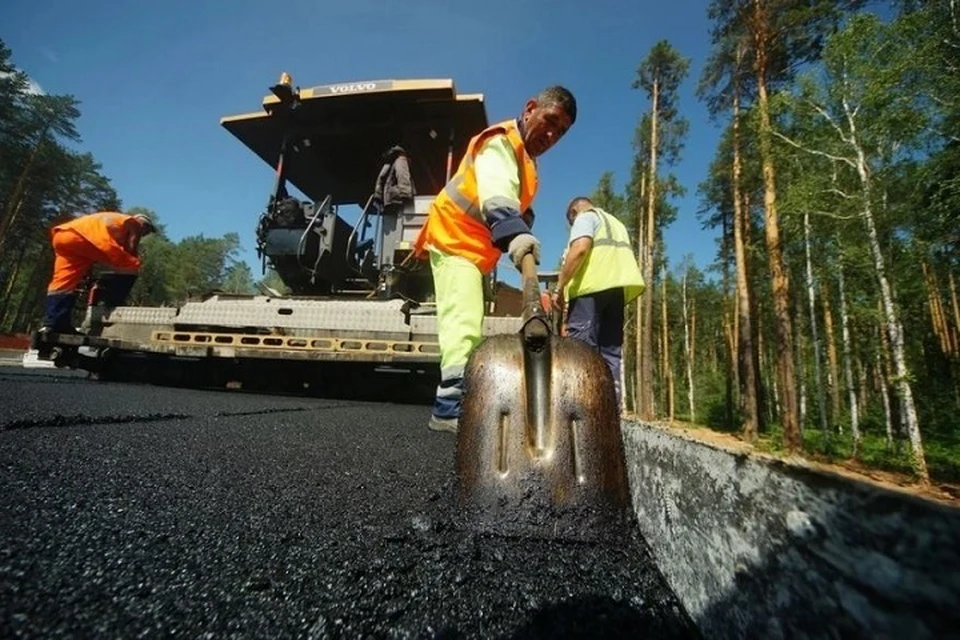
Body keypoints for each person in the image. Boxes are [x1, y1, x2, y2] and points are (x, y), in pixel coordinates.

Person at [413, 86, 577, 433]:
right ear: (530, 108)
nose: (552, 135)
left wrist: (524, 223)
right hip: (453, 236)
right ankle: (448, 408)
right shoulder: (501, 142)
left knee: (470, 320)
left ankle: (464, 401)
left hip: (476, 250)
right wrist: (513, 231)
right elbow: (496, 192)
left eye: (561, 132)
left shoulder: (527, 164)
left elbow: (516, 201)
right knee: (464, 320)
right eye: (550, 121)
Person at [551, 196, 645, 407]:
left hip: (590, 290)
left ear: (574, 211)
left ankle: (581, 406)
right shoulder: (617, 224)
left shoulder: (585, 218)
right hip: (616, 292)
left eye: (570, 222)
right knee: (610, 352)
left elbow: (581, 248)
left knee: (581, 350)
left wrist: (559, 287)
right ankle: (609, 409)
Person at [40, 211, 156, 334]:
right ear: (143, 224)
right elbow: (130, 249)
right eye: (146, 231)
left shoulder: (113, 219)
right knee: (132, 264)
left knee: (63, 283)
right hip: (87, 239)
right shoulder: (135, 224)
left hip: (62, 236)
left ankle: (54, 324)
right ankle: (113, 301)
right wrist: (132, 265)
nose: (144, 234)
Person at [372, 145, 415, 215]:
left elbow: (381, 178)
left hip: (388, 199)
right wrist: (406, 195)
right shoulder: (401, 159)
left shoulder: (388, 163)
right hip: (398, 198)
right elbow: (402, 174)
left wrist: (378, 196)